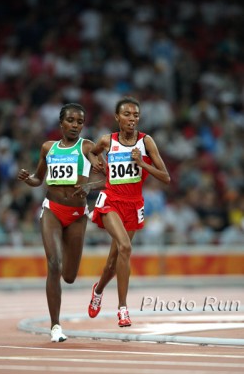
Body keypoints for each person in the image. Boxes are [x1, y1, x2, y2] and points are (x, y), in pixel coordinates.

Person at [17, 103, 104, 342]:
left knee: (69, 276)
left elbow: (108, 179)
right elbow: (38, 179)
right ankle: (55, 326)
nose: (75, 125)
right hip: (52, 210)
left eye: (80, 122)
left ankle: (61, 307)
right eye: (71, 120)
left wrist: (88, 185)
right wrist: (29, 179)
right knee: (53, 263)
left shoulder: (87, 147)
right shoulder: (48, 147)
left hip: (77, 216)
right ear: (61, 123)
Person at [87, 96, 170, 327]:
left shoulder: (146, 142)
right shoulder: (107, 140)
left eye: (135, 115)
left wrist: (142, 164)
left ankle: (99, 289)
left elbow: (166, 177)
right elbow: (92, 152)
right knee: (125, 247)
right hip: (111, 200)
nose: (132, 119)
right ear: (117, 117)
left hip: (133, 204)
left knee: (113, 261)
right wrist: (97, 162)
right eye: (127, 114)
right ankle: (123, 309)